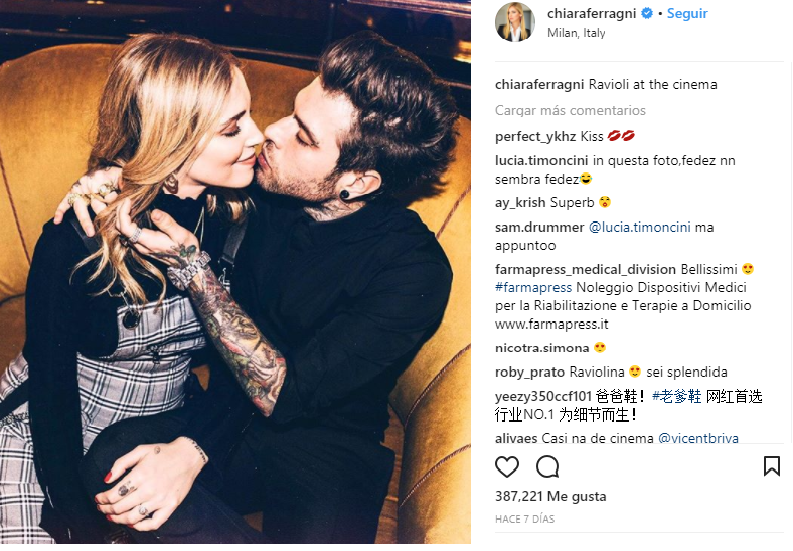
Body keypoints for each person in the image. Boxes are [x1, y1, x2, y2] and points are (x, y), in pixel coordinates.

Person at [62, 31, 458, 543]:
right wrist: (106, 181)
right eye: (293, 113)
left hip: (328, 447)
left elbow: (286, 395)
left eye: (304, 137)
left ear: (358, 182)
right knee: (114, 469)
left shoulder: (413, 271)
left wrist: (194, 271)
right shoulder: (263, 183)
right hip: (223, 415)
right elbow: (175, 160)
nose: (272, 131)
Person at [0, 33, 263, 544]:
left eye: (249, 115)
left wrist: (193, 447)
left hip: (165, 426)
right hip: (51, 437)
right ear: (173, 139)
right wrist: (77, 521)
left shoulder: (241, 216)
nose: (257, 136)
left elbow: (244, 367)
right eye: (233, 127)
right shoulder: (73, 237)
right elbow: (53, 399)